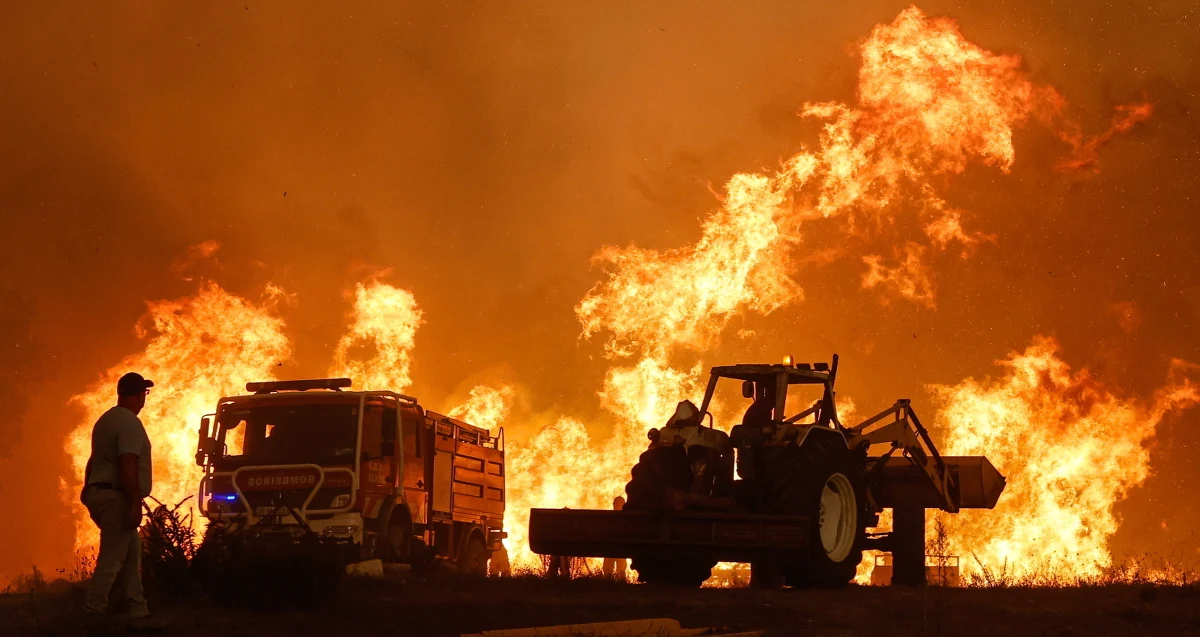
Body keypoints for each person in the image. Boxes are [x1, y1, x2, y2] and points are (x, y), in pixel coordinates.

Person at [80, 372, 165, 632]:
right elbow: (128, 462)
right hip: (117, 495)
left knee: (131, 554)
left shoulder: (105, 420)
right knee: (114, 555)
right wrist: (135, 501)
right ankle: (93, 611)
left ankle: (137, 608)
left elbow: (94, 460)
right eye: (143, 394)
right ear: (138, 395)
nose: (144, 400)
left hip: (100, 492)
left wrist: (86, 488)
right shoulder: (129, 422)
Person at [601, 496, 628, 580]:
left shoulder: (608, 518)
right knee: (617, 569)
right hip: (617, 548)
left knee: (616, 569)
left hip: (613, 547)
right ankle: (619, 583)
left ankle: (611, 582)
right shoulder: (627, 518)